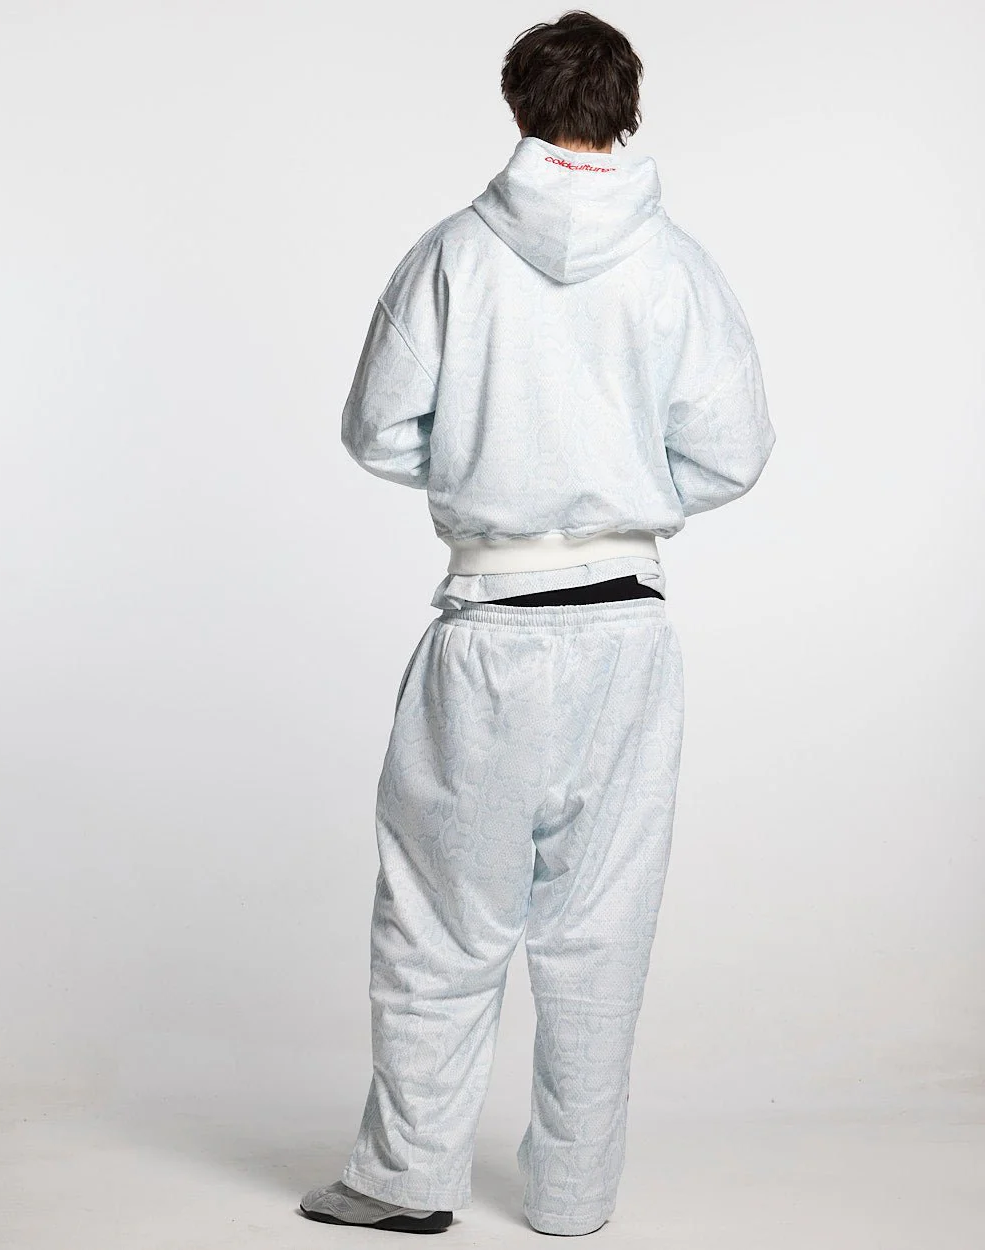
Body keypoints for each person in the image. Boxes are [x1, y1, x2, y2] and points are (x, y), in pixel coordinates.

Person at [299, 8, 775, 1238]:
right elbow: (734, 451)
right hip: (627, 630)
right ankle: (572, 1195)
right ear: (626, 107)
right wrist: (617, 493)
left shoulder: (452, 255)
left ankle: (406, 1180)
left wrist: (490, 472)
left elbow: (374, 429)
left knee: (440, 918)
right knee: (600, 927)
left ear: (517, 103)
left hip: (491, 622)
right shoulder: (677, 264)